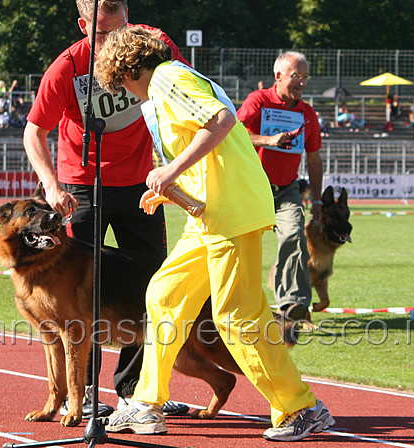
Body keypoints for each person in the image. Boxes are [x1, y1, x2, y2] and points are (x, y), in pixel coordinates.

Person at [95, 26, 334, 442]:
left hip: (231, 213)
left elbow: (221, 121)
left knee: (238, 319)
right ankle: (146, 404)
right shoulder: (169, 82)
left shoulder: (168, 78)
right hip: (210, 216)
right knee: (164, 294)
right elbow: (214, 149)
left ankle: (301, 408)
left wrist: (170, 170)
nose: (126, 95)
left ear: (128, 70)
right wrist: (171, 192)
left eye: (119, 84)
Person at [23, 0, 190, 418]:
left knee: (150, 287)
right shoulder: (67, 67)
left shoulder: (154, 46)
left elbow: (186, 92)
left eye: (121, 27)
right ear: (83, 26)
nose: (116, 40)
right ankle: (86, 397)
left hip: (142, 184)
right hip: (82, 186)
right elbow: (33, 132)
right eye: (103, 33)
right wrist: (52, 185)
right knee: (84, 298)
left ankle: (135, 392)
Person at [237, 51, 324, 323]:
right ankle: (234, 302)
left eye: (305, 77)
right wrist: (267, 140)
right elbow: (233, 133)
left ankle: (292, 306)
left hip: (287, 189)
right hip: (252, 187)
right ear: (278, 76)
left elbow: (314, 158)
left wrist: (318, 201)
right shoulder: (258, 101)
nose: (302, 82)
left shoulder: (307, 113)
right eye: (296, 76)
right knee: (239, 245)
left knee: (293, 236)